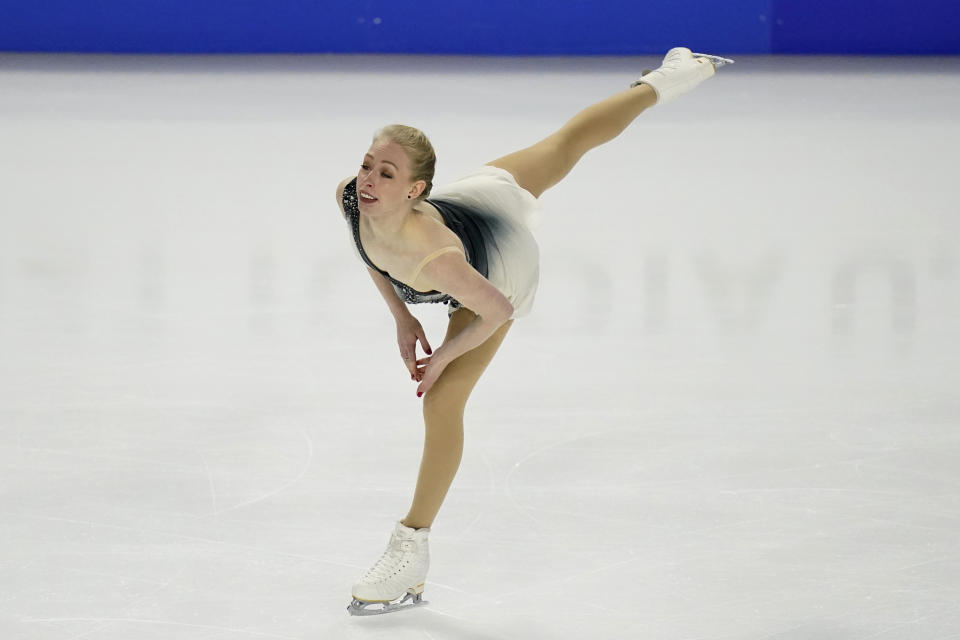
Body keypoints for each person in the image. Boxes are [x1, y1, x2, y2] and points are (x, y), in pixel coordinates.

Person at [338, 47, 732, 615]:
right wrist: (402, 317)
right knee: (564, 144)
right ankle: (672, 76)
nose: (369, 180)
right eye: (368, 164)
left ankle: (410, 549)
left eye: (387, 173)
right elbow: (369, 248)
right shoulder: (353, 198)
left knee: (441, 404)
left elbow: (495, 310)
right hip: (476, 202)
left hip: (496, 270)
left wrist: (448, 353)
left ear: (415, 190)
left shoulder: (440, 259)